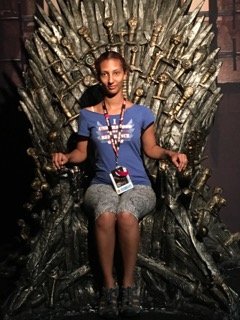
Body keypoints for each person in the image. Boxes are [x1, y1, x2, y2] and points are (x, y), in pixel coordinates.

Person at [52, 50, 188, 318]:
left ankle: (128, 285)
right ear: (98, 77)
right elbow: (81, 154)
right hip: (102, 184)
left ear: (125, 74)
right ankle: (109, 287)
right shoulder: (88, 115)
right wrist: (65, 156)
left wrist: (171, 153)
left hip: (137, 185)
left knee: (126, 214)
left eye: (116, 72)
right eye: (104, 73)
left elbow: (151, 149)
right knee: (105, 214)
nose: (110, 79)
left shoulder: (141, 113)